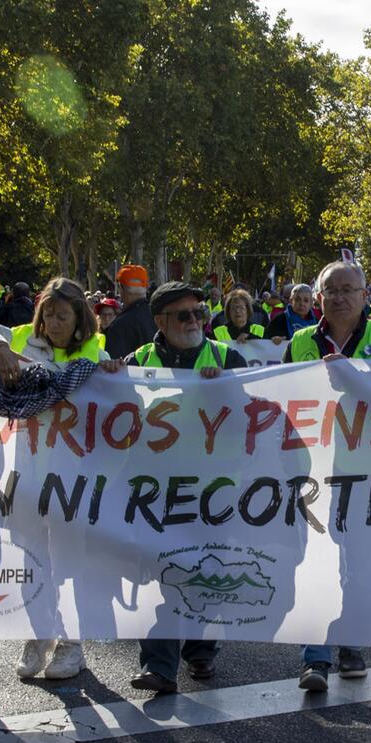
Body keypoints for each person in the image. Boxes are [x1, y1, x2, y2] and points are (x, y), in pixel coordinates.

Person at [0, 278, 104, 683]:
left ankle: (72, 646)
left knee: (70, 564)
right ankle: (38, 635)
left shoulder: (97, 352)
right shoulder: (20, 338)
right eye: (48, 314)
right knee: (31, 559)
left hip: (74, 479)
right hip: (25, 473)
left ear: (80, 319)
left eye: (63, 316)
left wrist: (113, 372)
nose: (54, 323)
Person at [114, 281, 249, 693]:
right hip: (154, 492)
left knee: (203, 573)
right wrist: (105, 376)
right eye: (184, 316)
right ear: (159, 321)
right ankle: (159, 665)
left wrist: (227, 386)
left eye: (199, 315)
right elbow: (117, 417)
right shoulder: (136, 361)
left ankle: (200, 649)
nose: (195, 323)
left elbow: (253, 421)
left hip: (214, 491)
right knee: (163, 573)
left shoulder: (227, 357)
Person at [286, 259, 371, 690]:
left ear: (364, 296)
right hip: (315, 476)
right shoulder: (299, 342)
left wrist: (351, 378)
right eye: (330, 290)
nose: (339, 297)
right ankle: (315, 659)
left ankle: (351, 641)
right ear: (318, 298)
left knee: (362, 568)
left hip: (370, 477)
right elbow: (284, 404)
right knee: (318, 568)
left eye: (348, 289)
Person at [101, 264, 157, 359]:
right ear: (146, 287)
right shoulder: (161, 317)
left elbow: (113, 368)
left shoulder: (119, 325)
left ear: (120, 288)